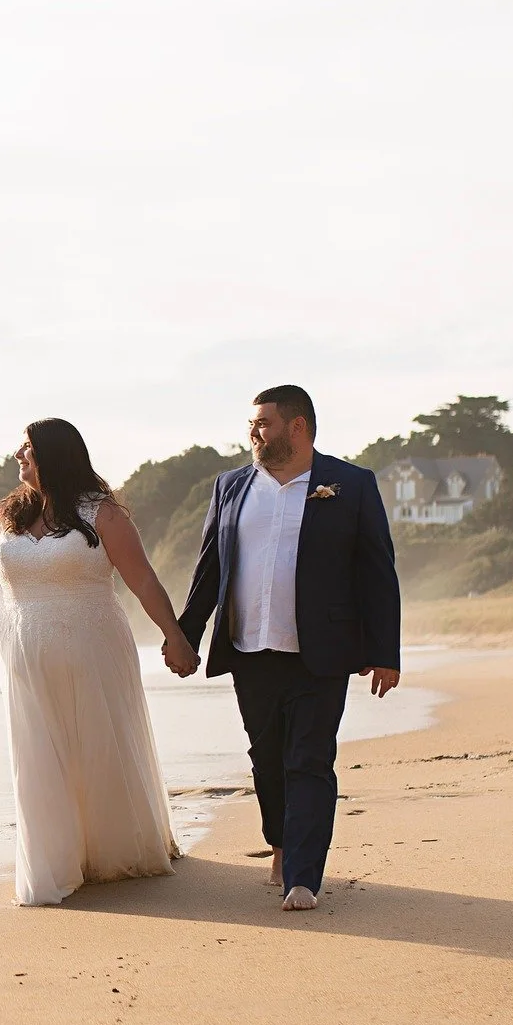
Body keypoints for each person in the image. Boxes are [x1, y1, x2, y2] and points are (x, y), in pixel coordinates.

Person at [0, 418, 198, 905]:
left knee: (100, 743)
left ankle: (111, 850)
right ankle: (55, 860)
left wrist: (174, 637)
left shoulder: (102, 514)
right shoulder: (5, 515)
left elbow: (143, 580)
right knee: (39, 754)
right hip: (24, 650)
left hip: (94, 647)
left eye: (27, 449)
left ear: (54, 455)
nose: (18, 457)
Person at [166, 385, 401, 911]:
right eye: (252, 424)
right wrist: (183, 636)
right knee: (267, 760)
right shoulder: (230, 487)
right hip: (250, 651)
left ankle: (304, 875)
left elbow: (377, 573)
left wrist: (386, 651)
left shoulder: (351, 484)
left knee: (310, 761)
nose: (253, 433)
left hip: (322, 654)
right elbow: (209, 571)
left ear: (298, 427)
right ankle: (281, 841)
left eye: (264, 423)